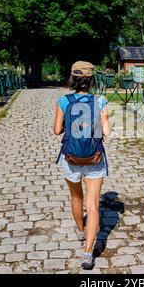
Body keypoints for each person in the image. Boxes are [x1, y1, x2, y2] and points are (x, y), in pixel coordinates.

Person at [53, 61, 111, 270]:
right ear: (91, 79)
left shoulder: (63, 101)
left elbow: (57, 130)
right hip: (94, 159)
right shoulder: (100, 101)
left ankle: (80, 230)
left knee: (76, 197)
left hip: (71, 159)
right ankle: (88, 253)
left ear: (73, 79)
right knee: (93, 205)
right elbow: (106, 132)